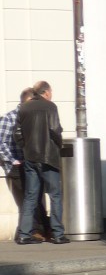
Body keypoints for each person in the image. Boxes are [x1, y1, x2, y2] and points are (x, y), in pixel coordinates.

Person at [14, 81, 69, 244]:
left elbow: (17, 133)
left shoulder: (24, 108)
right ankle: (57, 234)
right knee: (55, 195)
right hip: (48, 157)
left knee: (30, 196)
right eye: (51, 92)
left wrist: (26, 147)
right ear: (46, 92)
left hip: (30, 157)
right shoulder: (50, 107)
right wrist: (58, 146)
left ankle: (24, 234)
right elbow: (55, 130)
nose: (51, 95)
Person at [1, 87, 50, 241]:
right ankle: (29, 232)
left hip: (31, 163)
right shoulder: (9, 118)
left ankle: (37, 230)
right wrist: (13, 161)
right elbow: (1, 143)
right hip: (16, 166)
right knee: (26, 200)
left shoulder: (31, 118)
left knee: (34, 198)